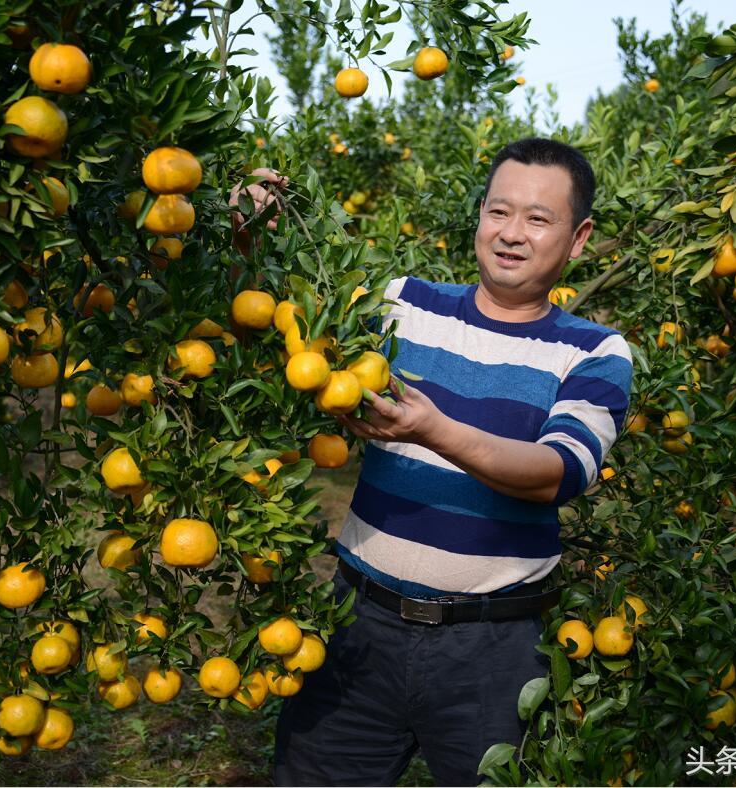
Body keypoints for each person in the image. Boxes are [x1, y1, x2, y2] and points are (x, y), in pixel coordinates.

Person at [231, 138, 633, 786]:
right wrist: (254, 233)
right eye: (499, 211)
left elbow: (559, 473)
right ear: (478, 216)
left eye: (537, 219)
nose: (511, 233)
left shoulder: (593, 351)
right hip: (355, 626)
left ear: (578, 237)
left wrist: (432, 429)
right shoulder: (402, 305)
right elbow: (284, 315)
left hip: (492, 650)